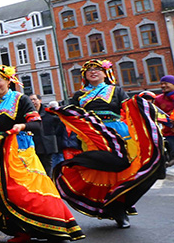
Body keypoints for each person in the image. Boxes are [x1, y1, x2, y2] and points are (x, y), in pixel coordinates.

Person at [0, 66, 84, 243]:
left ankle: (55, 226)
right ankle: (20, 230)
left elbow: (36, 124)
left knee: (25, 191)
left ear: (8, 80)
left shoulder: (20, 99)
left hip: (20, 148)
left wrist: (21, 126)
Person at [50, 60, 166, 228]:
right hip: (92, 136)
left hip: (117, 132)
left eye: (97, 69)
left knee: (120, 170)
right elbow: (70, 112)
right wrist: (58, 111)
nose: (93, 72)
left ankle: (119, 209)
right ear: (84, 76)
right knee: (101, 170)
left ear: (105, 73)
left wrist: (141, 101)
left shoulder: (116, 90)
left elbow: (128, 108)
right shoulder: (79, 95)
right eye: (89, 70)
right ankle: (108, 205)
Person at [29, 94, 62, 175]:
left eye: (34, 99)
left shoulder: (49, 112)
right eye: (31, 100)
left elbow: (59, 124)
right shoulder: (29, 114)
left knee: (49, 164)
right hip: (35, 143)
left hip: (48, 143)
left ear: (40, 100)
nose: (33, 102)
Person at [154, 75, 174, 165]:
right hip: (168, 131)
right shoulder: (158, 99)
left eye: (165, 83)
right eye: (161, 84)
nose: (163, 86)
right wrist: (168, 121)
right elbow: (156, 114)